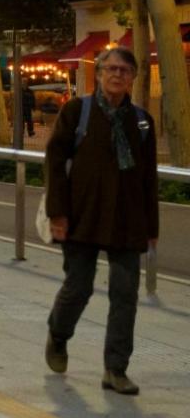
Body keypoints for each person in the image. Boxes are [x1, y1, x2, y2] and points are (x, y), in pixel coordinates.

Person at [44, 46, 158, 396]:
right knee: (78, 287)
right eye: (112, 69)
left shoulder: (140, 121)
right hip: (82, 216)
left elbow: (148, 178)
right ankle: (58, 335)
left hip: (127, 220)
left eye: (125, 70)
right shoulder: (77, 112)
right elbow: (54, 162)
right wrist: (57, 214)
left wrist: (151, 228)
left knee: (126, 295)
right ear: (99, 73)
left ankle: (115, 369)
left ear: (133, 78)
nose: (118, 75)